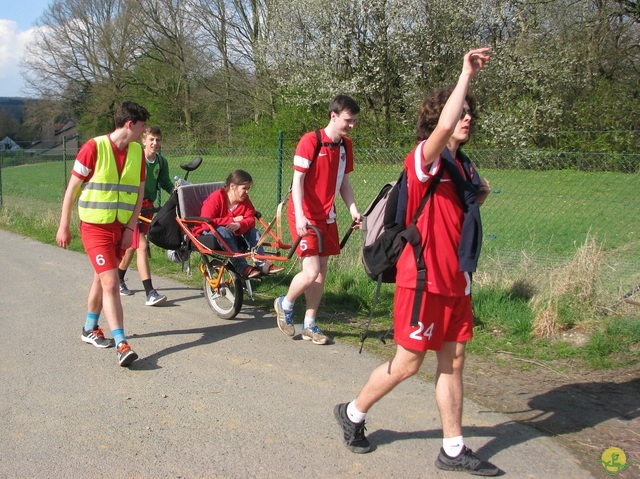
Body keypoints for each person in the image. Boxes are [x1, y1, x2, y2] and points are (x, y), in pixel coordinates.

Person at [333, 48, 499, 476]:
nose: (466, 119)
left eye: (470, 114)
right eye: (460, 112)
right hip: (421, 282)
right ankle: (352, 412)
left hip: (455, 282)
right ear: (440, 118)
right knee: (408, 364)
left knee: (454, 361)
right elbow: (444, 126)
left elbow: (472, 200)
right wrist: (466, 74)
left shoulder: (462, 166)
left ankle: (453, 447)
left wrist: (477, 193)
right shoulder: (424, 158)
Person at [56, 100, 150, 368]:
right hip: (94, 227)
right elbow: (72, 188)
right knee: (111, 283)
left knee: (101, 279)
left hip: (121, 227)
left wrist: (130, 229)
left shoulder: (136, 153)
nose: (144, 133)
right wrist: (64, 225)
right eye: (142, 127)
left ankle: (89, 329)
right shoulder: (93, 147)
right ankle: (122, 344)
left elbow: (139, 194)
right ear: (129, 124)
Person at [274, 95, 362, 346]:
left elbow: (344, 182)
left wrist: (354, 210)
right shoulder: (310, 141)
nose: (351, 126)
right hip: (305, 214)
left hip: (327, 216)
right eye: (348, 120)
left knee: (320, 274)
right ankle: (285, 303)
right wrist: (301, 216)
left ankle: (310, 323)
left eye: (354, 121)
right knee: (310, 272)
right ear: (333, 116)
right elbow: (297, 182)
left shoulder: (345, 146)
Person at [194, 169, 284, 279]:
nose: (247, 192)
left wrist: (240, 225)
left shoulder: (244, 200)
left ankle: (261, 264)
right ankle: (242, 267)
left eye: (248, 188)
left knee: (253, 232)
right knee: (223, 231)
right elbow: (205, 221)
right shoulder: (216, 197)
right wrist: (232, 220)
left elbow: (251, 220)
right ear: (232, 186)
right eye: (244, 188)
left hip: (233, 234)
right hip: (209, 232)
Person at [118, 125, 173, 306]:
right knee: (141, 244)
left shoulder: (161, 162)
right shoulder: (135, 157)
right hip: (132, 207)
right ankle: (150, 292)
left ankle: (118, 278)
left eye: (158, 140)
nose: (155, 143)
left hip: (148, 207)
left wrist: (177, 191)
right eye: (151, 139)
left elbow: (164, 182)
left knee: (132, 246)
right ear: (144, 140)